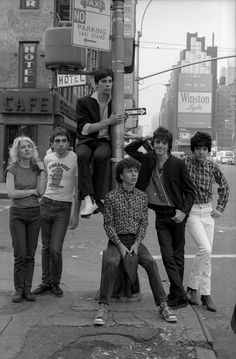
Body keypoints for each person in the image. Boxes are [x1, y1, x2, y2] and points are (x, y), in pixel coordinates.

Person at [94, 157, 177, 326]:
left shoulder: (142, 196)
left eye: (135, 171)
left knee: (150, 263)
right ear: (121, 175)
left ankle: (163, 305)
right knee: (111, 262)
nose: (133, 174)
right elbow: (108, 224)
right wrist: (120, 245)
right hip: (116, 240)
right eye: (129, 171)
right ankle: (103, 307)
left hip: (135, 240)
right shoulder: (111, 197)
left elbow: (143, 223)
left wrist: (137, 243)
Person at [125, 127, 196, 309]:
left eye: (164, 143)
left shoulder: (178, 164)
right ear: (153, 143)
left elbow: (190, 192)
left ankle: (175, 294)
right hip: (160, 216)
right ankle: (180, 294)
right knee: (167, 256)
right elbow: (130, 150)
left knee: (178, 256)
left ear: (169, 146)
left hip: (177, 215)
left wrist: (183, 212)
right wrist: (145, 137)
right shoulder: (148, 158)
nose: (160, 146)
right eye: (157, 142)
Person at [185, 132, 229, 312]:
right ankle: (191, 288)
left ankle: (206, 294)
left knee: (207, 256)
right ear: (193, 150)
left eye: (204, 149)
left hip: (208, 211)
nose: (201, 152)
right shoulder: (185, 163)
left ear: (208, 150)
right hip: (192, 212)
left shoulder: (212, 166)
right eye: (198, 149)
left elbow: (225, 187)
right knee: (205, 249)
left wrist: (219, 208)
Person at [33, 127, 80, 298]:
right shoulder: (47, 158)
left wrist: (76, 213)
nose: (61, 144)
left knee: (55, 249)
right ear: (52, 144)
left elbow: (78, 187)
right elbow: (44, 180)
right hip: (45, 204)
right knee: (45, 248)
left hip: (63, 208)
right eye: (57, 141)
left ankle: (55, 283)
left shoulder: (75, 158)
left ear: (69, 143)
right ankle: (46, 282)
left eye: (64, 141)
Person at [76, 68, 125, 218]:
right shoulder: (84, 102)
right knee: (82, 155)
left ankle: (97, 197)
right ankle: (88, 198)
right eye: (103, 81)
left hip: (104, 141)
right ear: (96, 84)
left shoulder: (116, 103)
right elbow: (84, 129)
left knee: (100, 156)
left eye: (110, 81)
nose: (108, 84)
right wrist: (108, 121)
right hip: (87, 140)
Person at [6, 136, 46, 303]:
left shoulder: (36, 168)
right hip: (17, 214)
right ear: (18, 150)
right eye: (23, 147)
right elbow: (11, 194)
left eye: (30, 147)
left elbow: (41, 191)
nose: (27, 149)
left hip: (35, 214)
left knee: (30, 255)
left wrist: (43, 170)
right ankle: (18, 290)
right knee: (20, 254)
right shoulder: (12, 168)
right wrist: (30, 192)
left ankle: (28, 290)